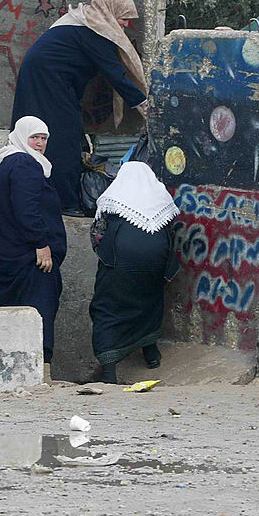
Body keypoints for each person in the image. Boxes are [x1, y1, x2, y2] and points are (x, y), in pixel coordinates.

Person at [10, 0, 149, 215]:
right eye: (123, 18)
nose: (125, 25)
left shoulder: (86, 21)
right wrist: (143, 104)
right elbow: (115, 73)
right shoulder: (93, 30)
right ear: (111, 12)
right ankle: (65, 202)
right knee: (64, 136)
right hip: (48, 79)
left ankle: (56, 196)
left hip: (48, 78)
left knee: (64, 134)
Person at [0, 116, 67, 377]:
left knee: (13, 314)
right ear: (22, 137)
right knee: (38, 311)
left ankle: (13, 373)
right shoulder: (25, 163)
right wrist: (41, 244)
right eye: (35, 137)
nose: (40, 143)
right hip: (29, 260)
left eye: (44, 138)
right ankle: (41, 373)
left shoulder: (4, 163)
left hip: (8, 256)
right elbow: (27, 209)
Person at [88, 161, 180, 383]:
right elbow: (171, 230)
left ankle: (109, 371)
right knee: (149, 300)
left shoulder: (113, 198)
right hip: (156, 261)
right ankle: (151, 354)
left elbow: (98, 234)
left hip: (120, 263)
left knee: (107, 306)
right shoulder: (161, 198)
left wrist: (103, 253)